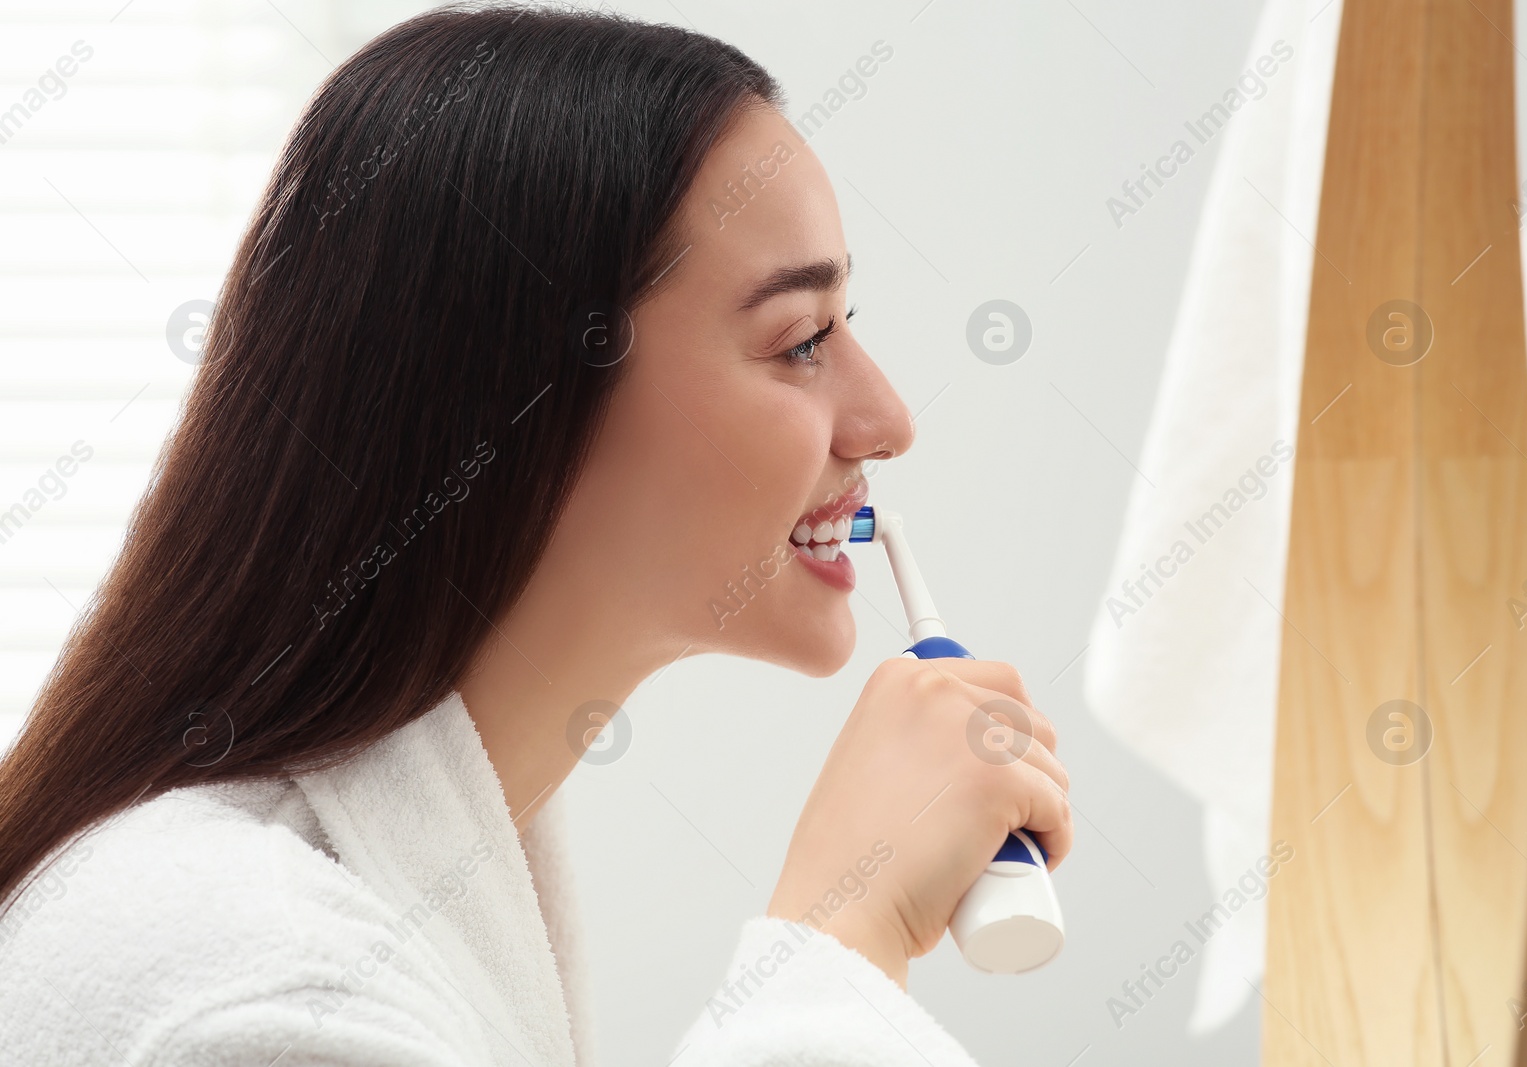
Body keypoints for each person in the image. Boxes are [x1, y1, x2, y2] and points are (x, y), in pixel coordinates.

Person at [0, 4, 1072, 1063]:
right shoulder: (252, 991)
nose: (887, 420)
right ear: (518, 397)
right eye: (798, 339)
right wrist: (846, 928)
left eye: (849, 328)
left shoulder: (376, 912)